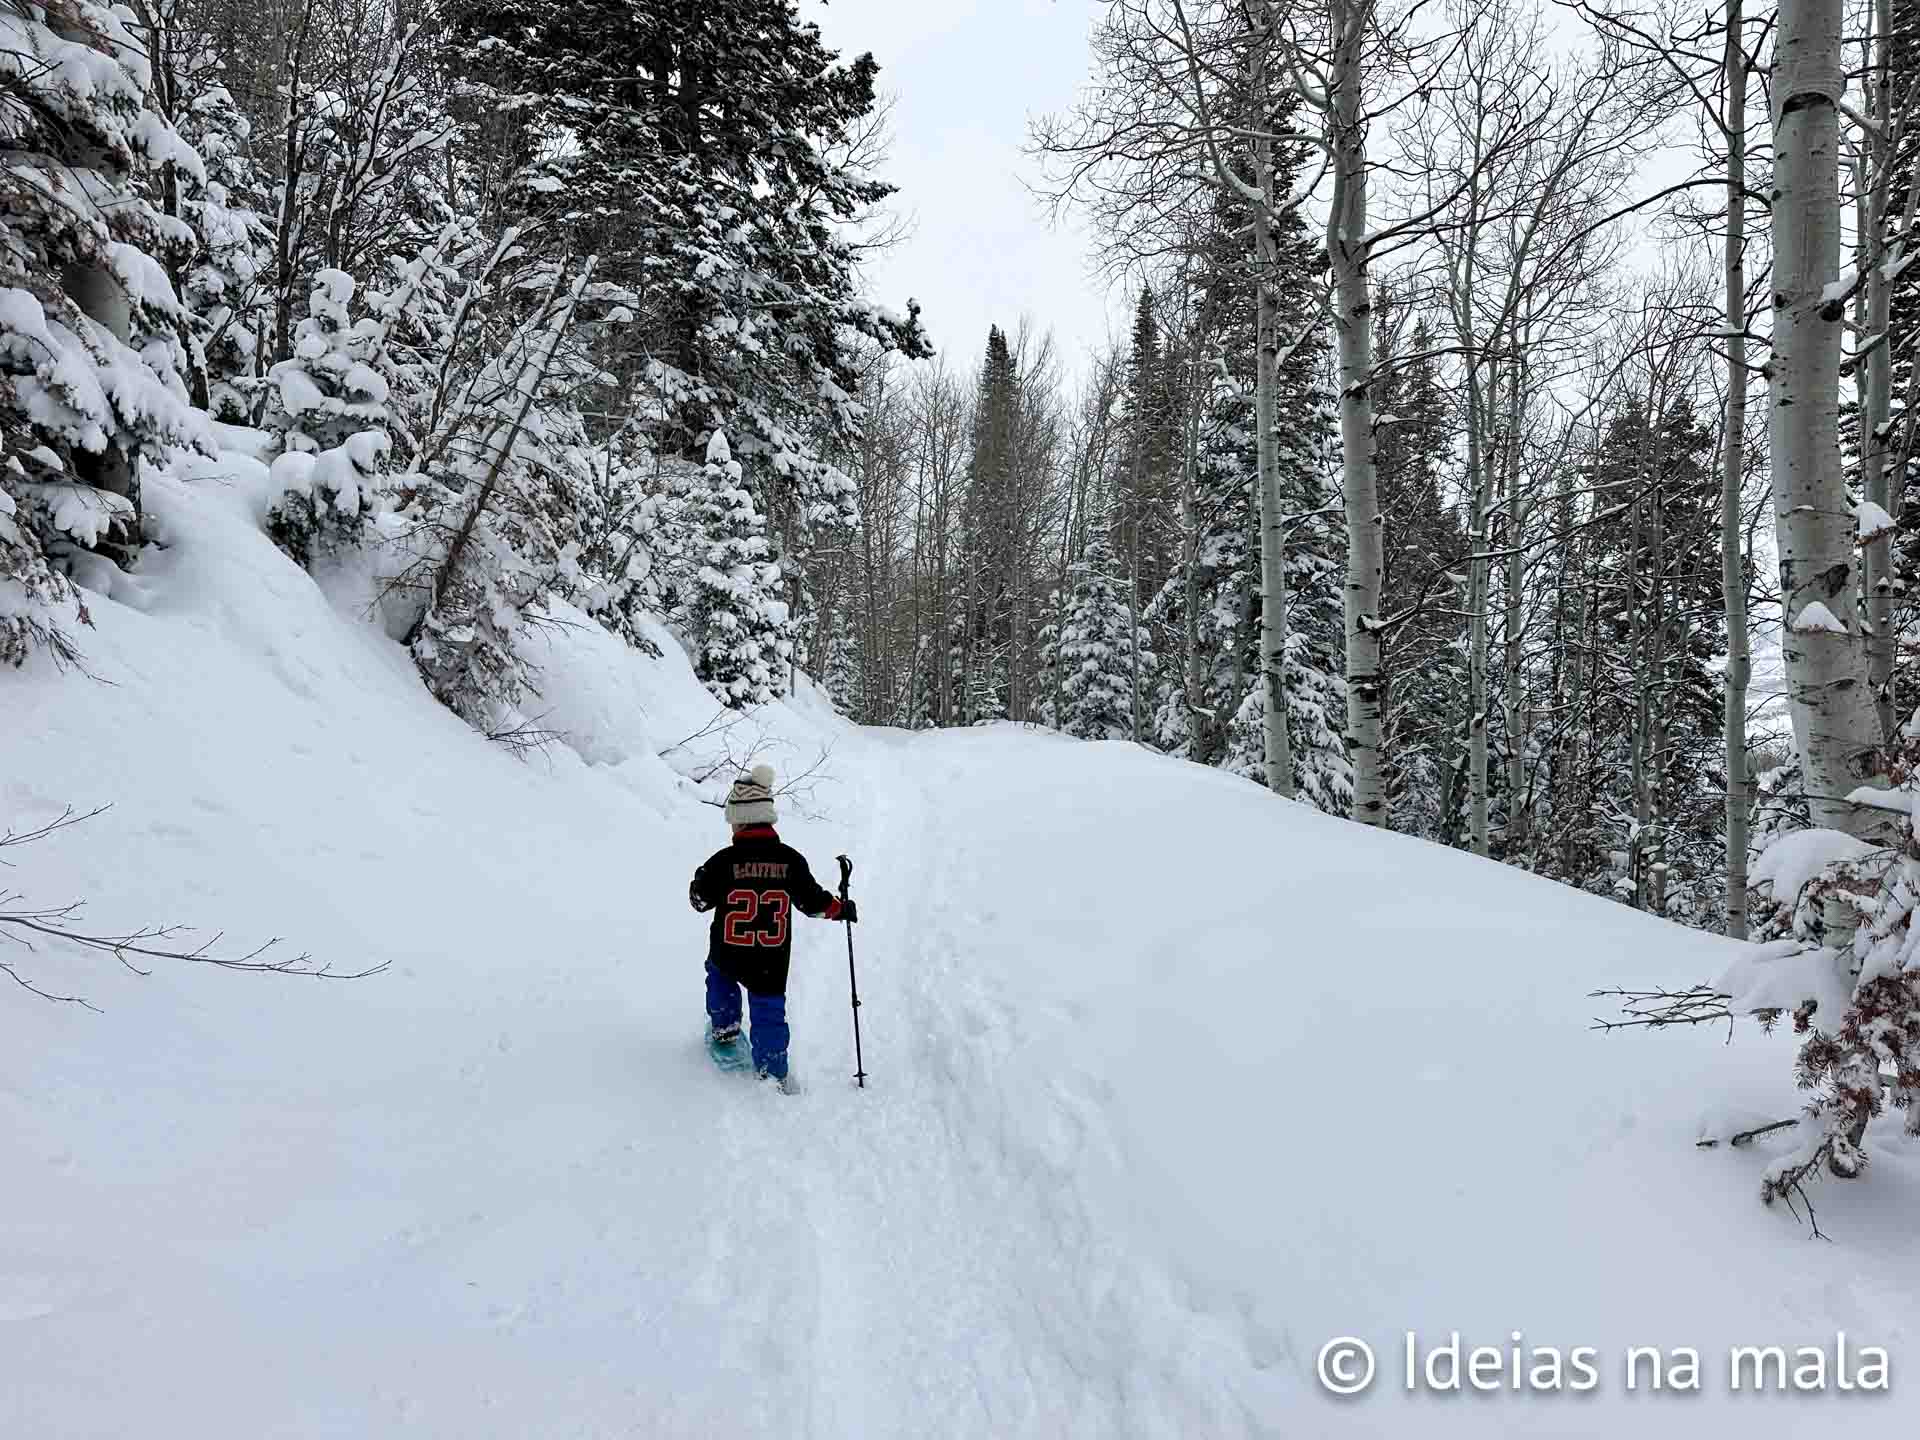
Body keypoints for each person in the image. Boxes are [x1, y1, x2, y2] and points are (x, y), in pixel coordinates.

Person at [689, 764, 857, 1089]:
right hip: (770, 959)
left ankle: (724, 1031)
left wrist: (700, 880)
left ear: (739, 821)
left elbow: (700, 901)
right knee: (769, 1011)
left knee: (720, 980)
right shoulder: (790, 860)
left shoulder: (723, 861)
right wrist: (840, 909)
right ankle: (773, 1068)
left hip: (729, 951)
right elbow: (813, 902)